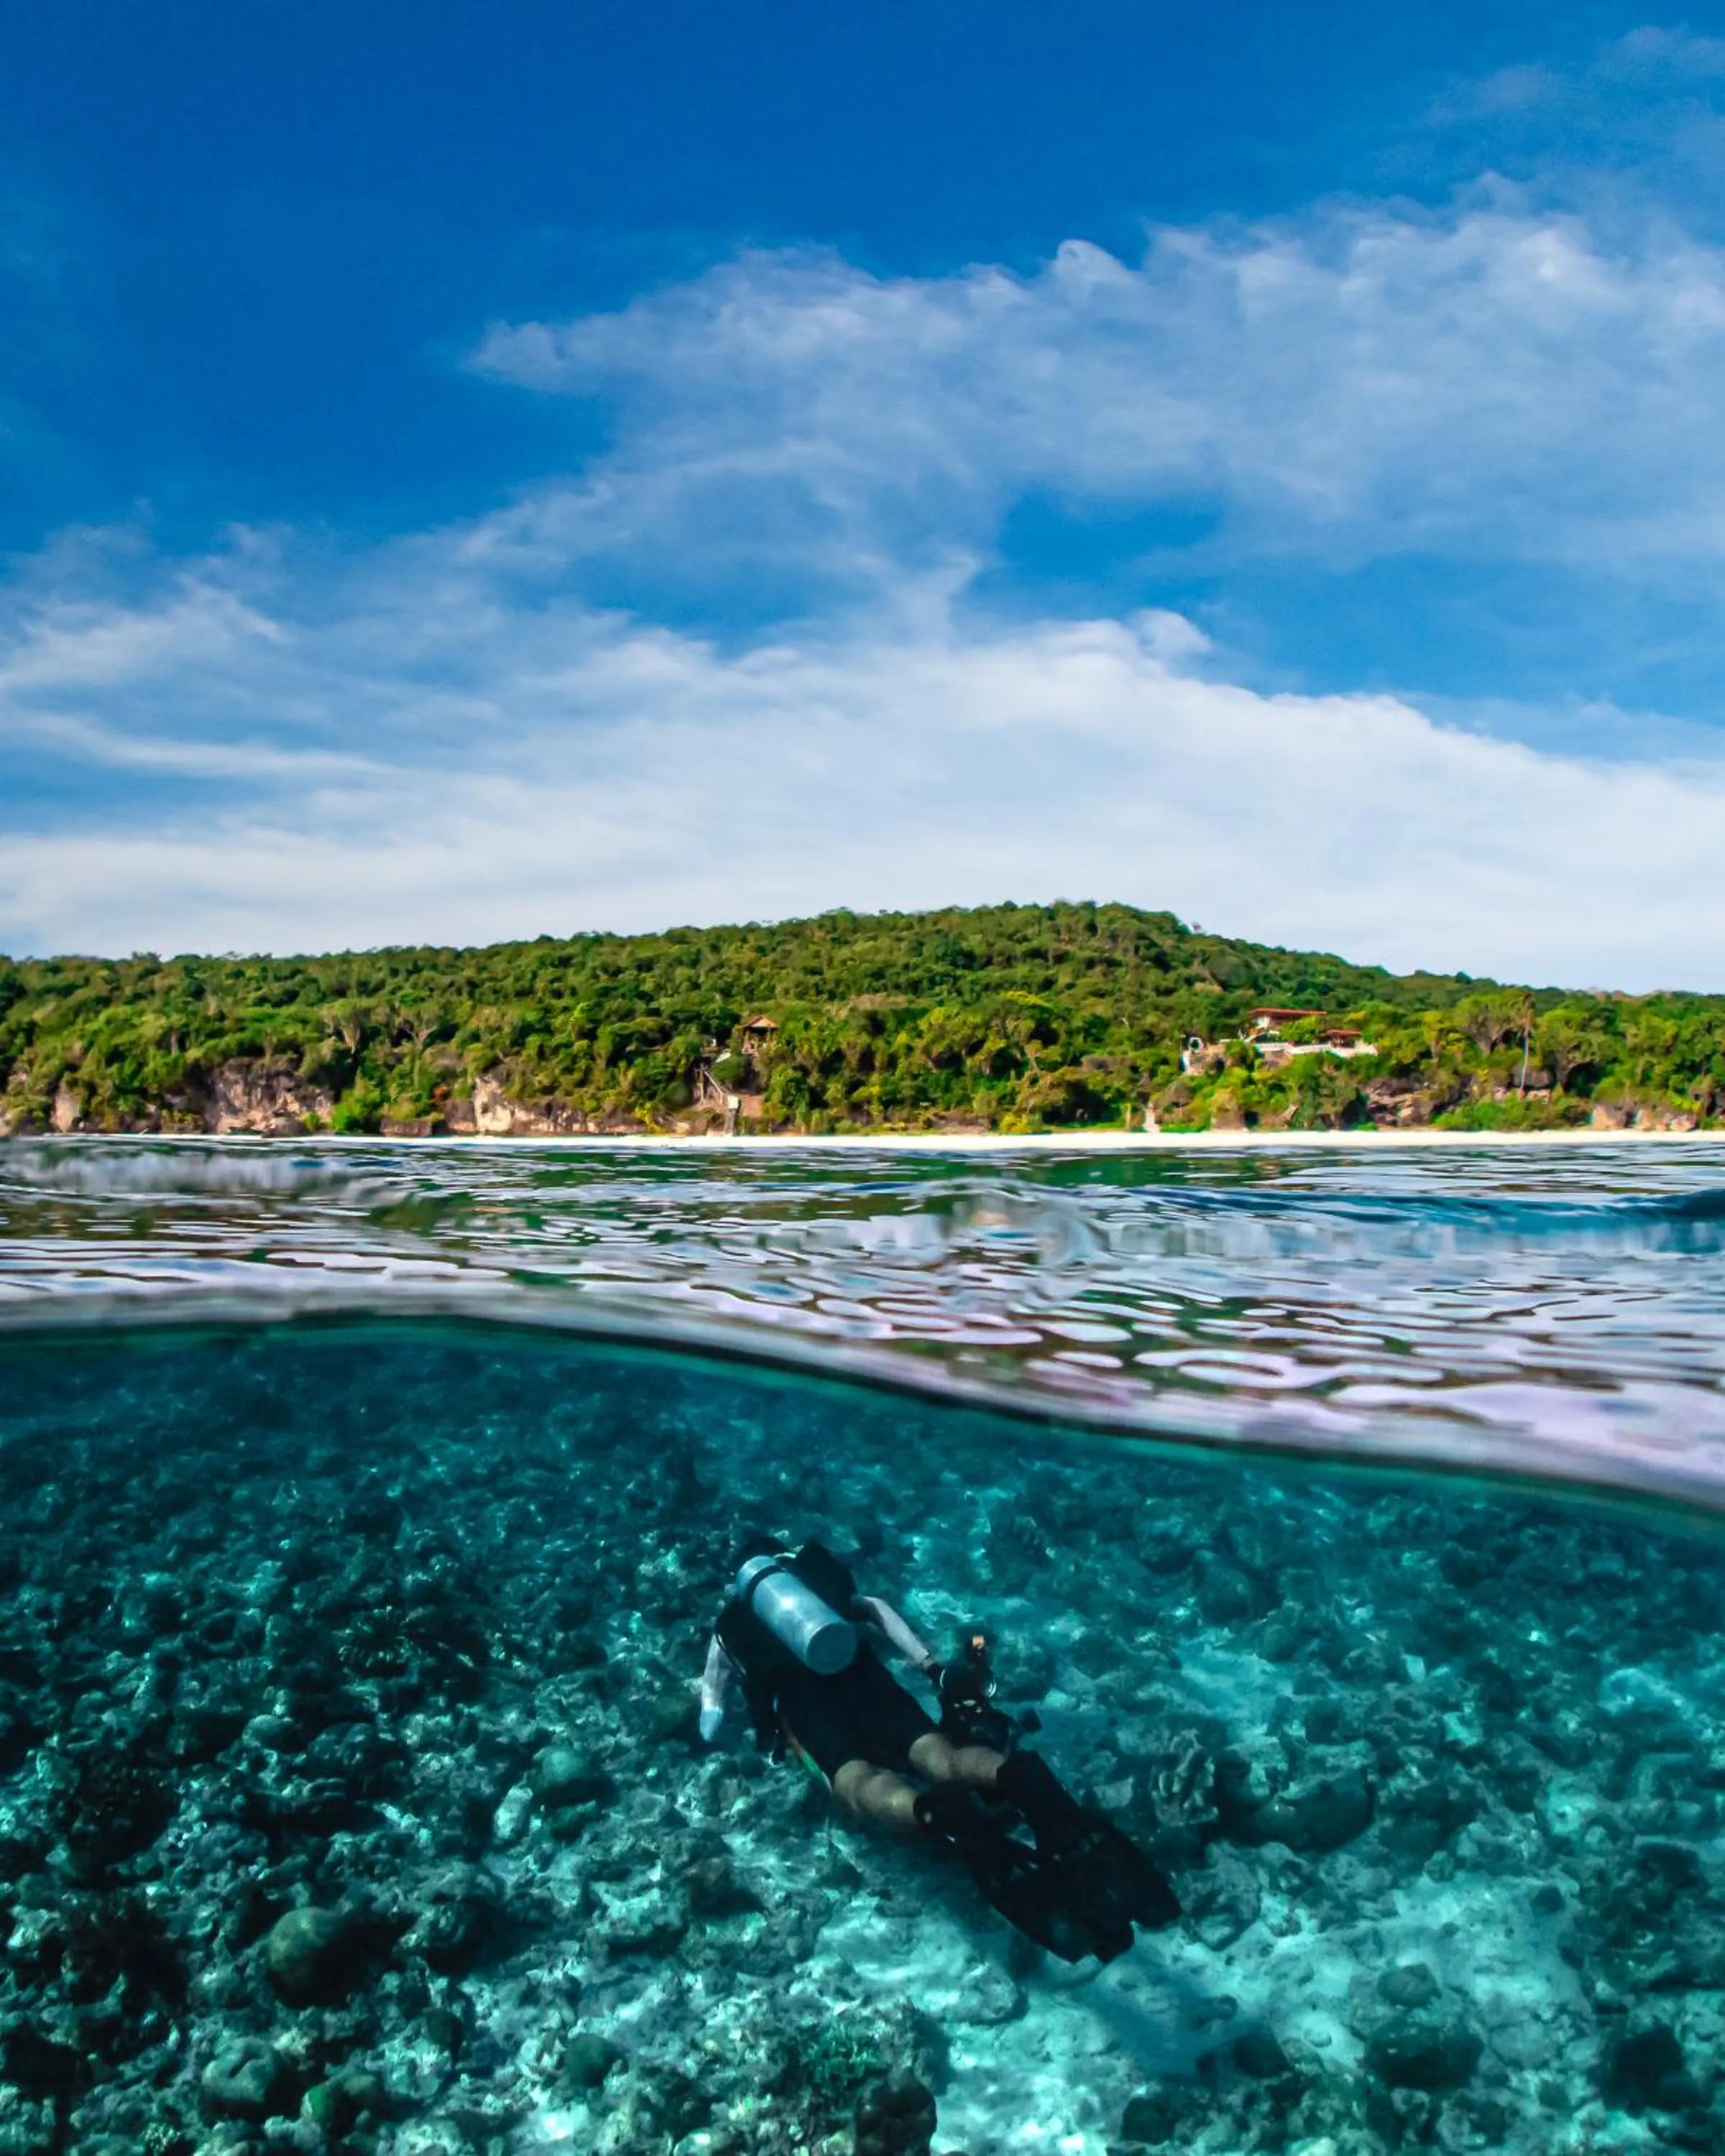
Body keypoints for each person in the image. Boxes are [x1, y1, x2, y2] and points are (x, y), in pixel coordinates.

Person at [699, 1538, 1178, 1963]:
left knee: (857, 1785)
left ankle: (933, 1810)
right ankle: (1015, 1777)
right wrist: (928, 1665)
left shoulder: (732, 1624)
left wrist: (716, 1726)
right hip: (864, 1678)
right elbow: (877, 1609)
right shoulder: (814, 1577)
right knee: (939, 1755)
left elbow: (713, 1702)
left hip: (807, 1710)